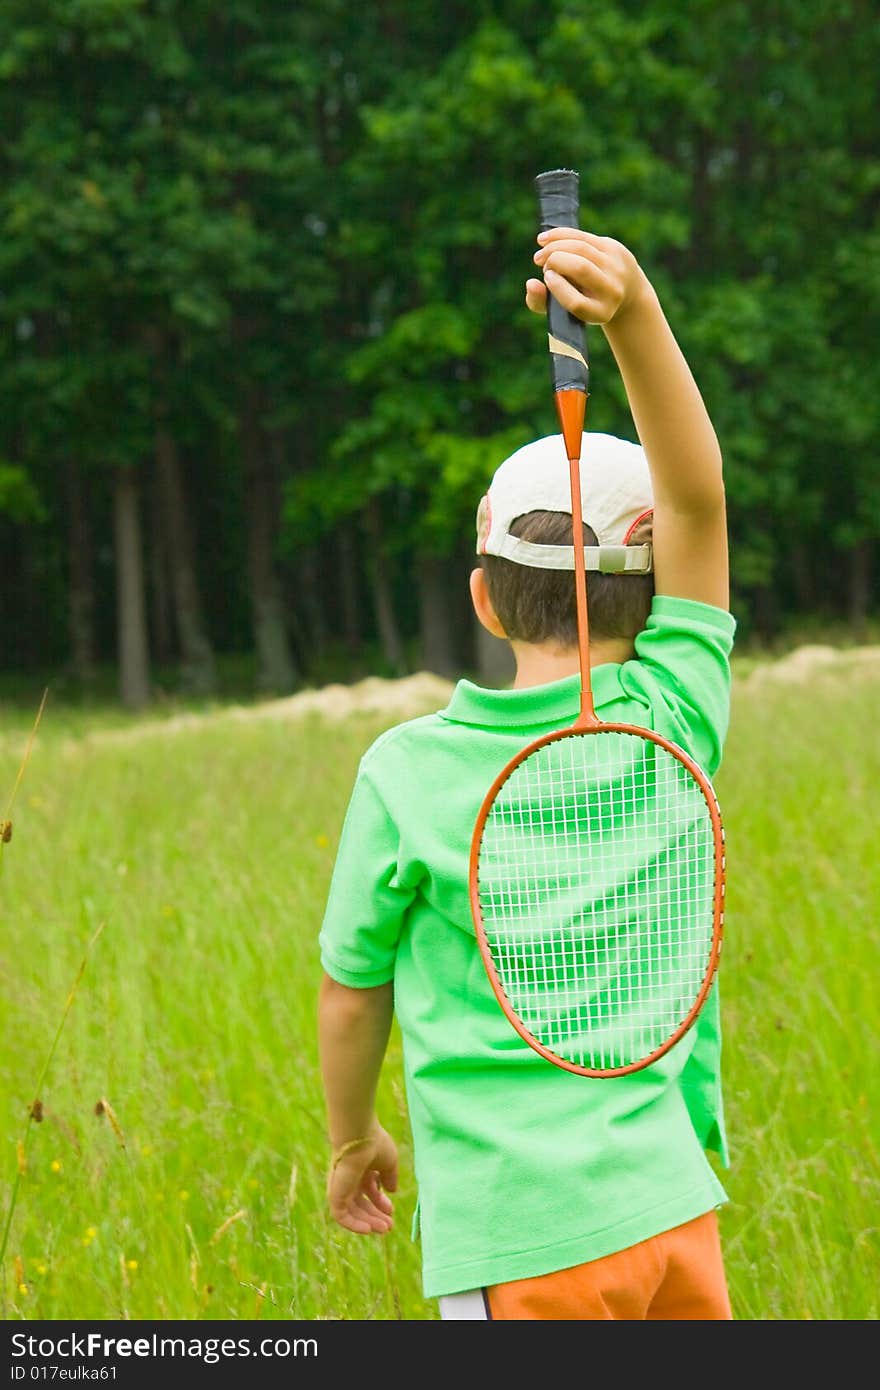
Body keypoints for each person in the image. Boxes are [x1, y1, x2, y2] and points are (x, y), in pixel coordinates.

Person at [318, 226, 735, 1320]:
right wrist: (633, 310)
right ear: (649, 590)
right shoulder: (676, 714)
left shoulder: (408, 773)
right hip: (672, 1217)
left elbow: (351, 993)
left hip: (519, 1243)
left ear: (483, 598)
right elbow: (698, 501)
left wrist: (351, 1136)